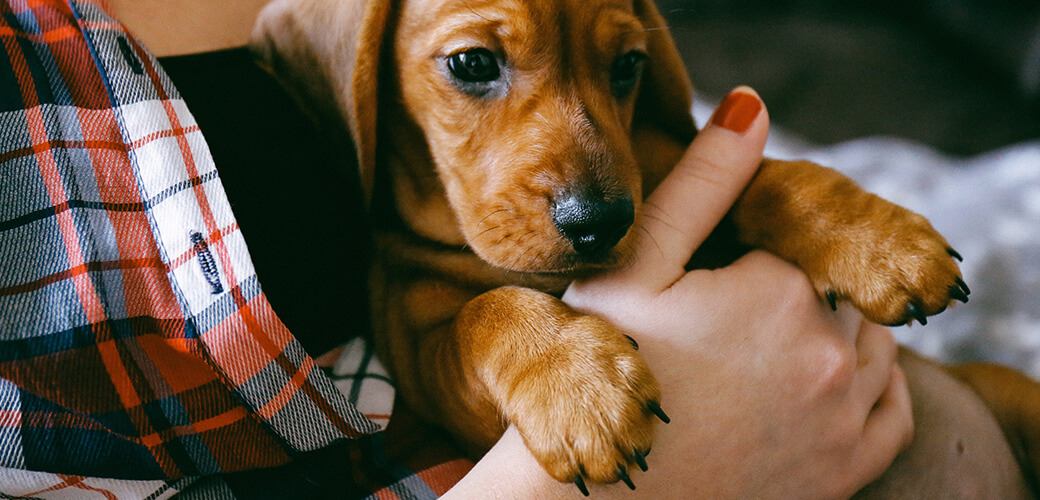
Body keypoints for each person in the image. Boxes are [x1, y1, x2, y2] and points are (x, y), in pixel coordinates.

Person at [0, 0, 911, 498]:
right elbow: (444, 350)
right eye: (478, 66)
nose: (593, 183)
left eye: (620, 64)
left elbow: (700, 162)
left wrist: (803, 199)